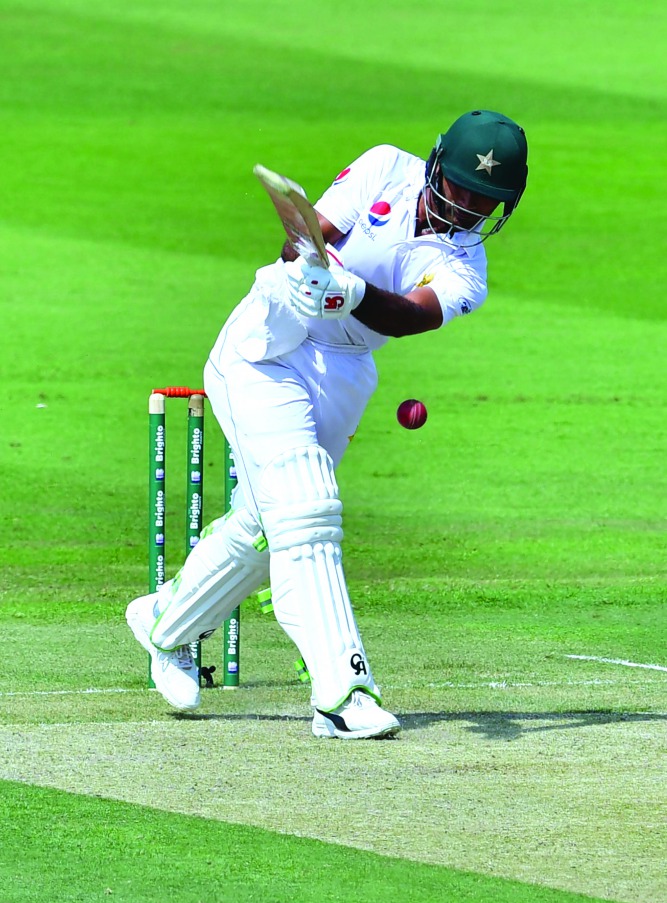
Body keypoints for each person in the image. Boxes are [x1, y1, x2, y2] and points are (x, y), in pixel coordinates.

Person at [126, 109, 529, 739]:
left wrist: (354, 295)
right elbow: (300, 238)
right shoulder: (384, 168)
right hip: (268, 344)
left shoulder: (466, 267)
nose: (471, 206)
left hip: (343, 369)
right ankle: (344, 693)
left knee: (266, 527)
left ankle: (164, 625)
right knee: (308, 508)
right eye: (462, 187)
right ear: (435, 166)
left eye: (489, 200)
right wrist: (312, 271)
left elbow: (409, 316)